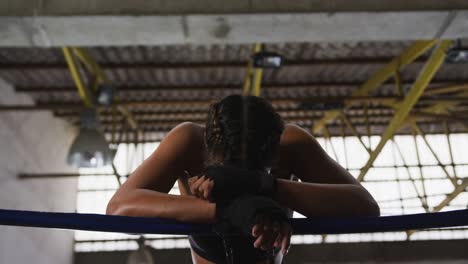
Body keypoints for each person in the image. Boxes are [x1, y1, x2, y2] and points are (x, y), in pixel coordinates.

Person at [107, 95, 380, 264]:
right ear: (209, 149)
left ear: (275, 151)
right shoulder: (189, 141)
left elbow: (367, 209)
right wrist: (223, 209)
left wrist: (268, 187)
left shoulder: (292, 144)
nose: (242, 173)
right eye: (231, 168)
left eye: (254, 170)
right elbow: (117, 210)